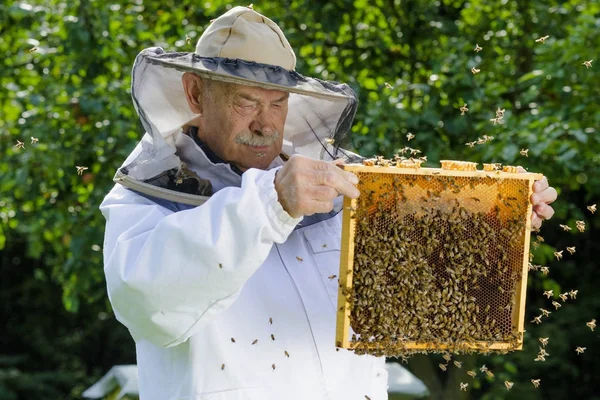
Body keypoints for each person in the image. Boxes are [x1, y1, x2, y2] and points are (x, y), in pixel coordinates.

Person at [100, 6, 557, 400]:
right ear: (196, 94)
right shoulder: (145, 199)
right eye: (246, 102)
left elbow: (416, 292)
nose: (265, 123)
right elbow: (148, 304)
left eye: (277, 103)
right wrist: (271, 203)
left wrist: (496, 227)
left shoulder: (339, 192)